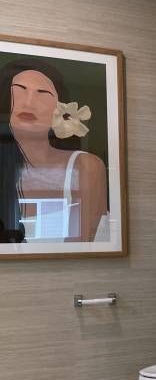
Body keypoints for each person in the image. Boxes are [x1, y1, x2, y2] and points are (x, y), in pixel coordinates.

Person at [0, 58, 107, 243]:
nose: (29, 102)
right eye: (20, 89)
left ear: (59, 108)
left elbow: (81, 249)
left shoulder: (85, 167)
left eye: (42, 92)